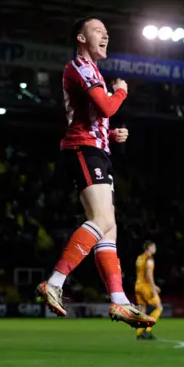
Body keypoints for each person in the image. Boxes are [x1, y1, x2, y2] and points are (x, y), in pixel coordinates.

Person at [35, 16, 155, 329]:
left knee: (109, 227)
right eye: (97, 30)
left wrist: (111, 135)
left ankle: (119, 302)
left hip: (96, 149)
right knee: (101, 220)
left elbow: (98, 117)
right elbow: (106, 107)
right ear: (81, 38)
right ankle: (54, 283)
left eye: (106, 32)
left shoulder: (94, 71)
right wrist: (121, 92)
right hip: (83, 150)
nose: (105, 35)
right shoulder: (79, 66)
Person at [135, 241, 163, 339]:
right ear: (150, 247)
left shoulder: (139, 258)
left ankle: (139, 334)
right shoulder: (149, 258)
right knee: (158, 307)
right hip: (145, 287)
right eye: (154, 247)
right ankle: (147, 330)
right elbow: (148, 274)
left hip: (137, 286)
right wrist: (153, 286)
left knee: (142, 310)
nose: (155, 249)